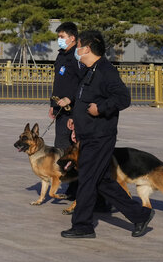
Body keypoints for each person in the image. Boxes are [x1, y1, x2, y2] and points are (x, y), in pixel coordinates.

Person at [61, 30, 154, 239]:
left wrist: (101, 108)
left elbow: (123, 98)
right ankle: (140, 215)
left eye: (78, 47)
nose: (76, 50)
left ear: (87, 48)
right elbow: (84, 99)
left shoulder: (105, 70)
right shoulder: (89, 70)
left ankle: (82, 225)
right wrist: (76, 122)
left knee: (86, 179)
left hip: (100, 136)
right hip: (88, 133)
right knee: (101, 180)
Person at [49, 22, 83, 152]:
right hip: (60, 108)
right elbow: (58, 82)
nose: (59, 40)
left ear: (72, 38)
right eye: (58, 37)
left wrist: (70, 98)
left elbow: (82, 83)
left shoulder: (77, 57)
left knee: (71, 147)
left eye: (62, 37)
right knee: (61, 143)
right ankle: (63, 171)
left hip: (73, 108)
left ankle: (71, 171)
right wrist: (53, 104)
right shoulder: (61, 55)